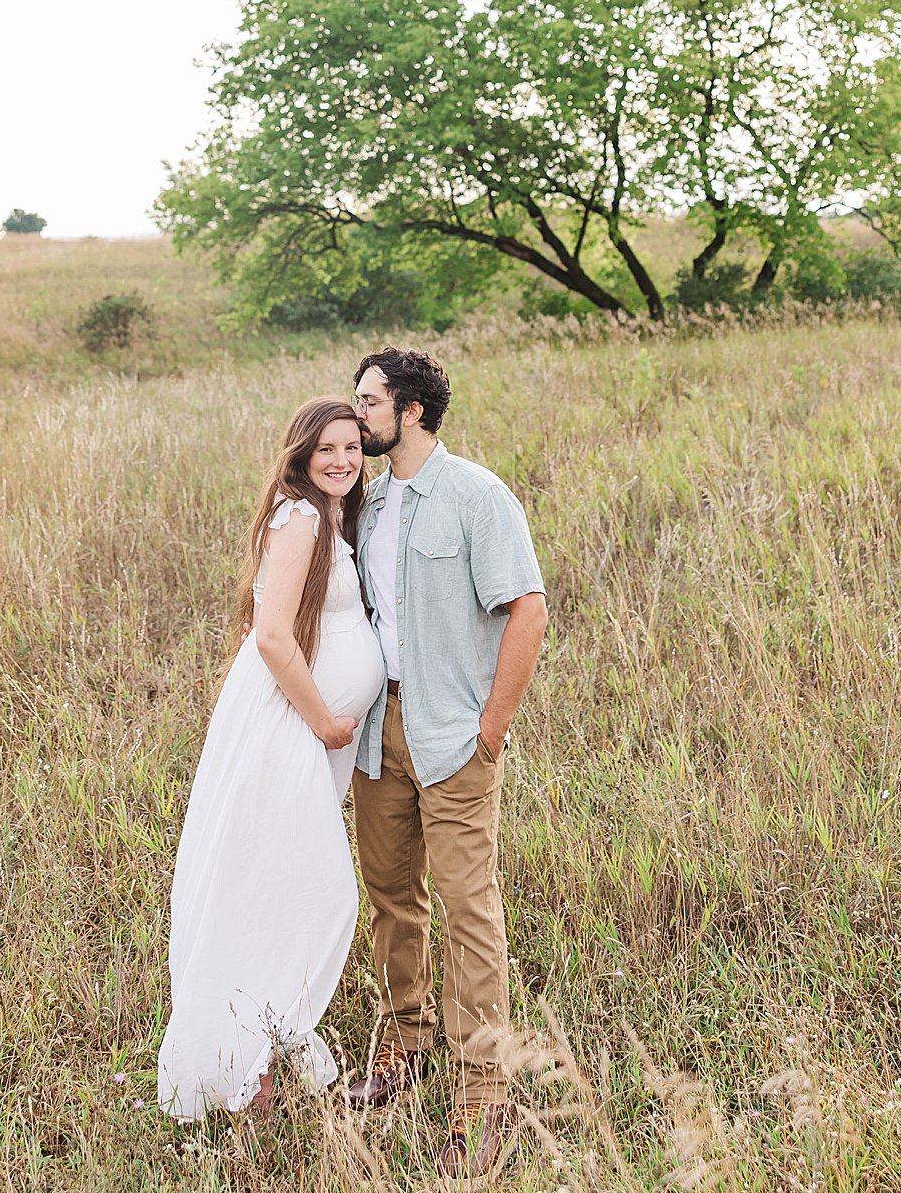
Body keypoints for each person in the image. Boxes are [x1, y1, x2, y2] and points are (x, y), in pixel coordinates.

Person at [347, 347, 548, 1181]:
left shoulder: (476, 495)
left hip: (452, 734)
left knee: (469, 906)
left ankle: (482, 1089)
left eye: (368, 402)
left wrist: (490, 728)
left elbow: (528, 612)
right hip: (375, 730)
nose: (355, 414)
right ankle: (405, 1043)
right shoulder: (367, 501)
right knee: (392, 892)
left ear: (412, 411)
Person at [157, 398, 386, 1122]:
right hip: (291, 727)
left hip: (306, 734)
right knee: (298, 890)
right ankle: (242, 1067)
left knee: (272, 882)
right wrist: (324, 722)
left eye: (352, 447)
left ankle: (256, 1062)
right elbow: (272, 639)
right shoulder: (303, 519)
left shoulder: (332, 515)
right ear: (300, 454)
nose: (343, 460)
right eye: (327, 450)